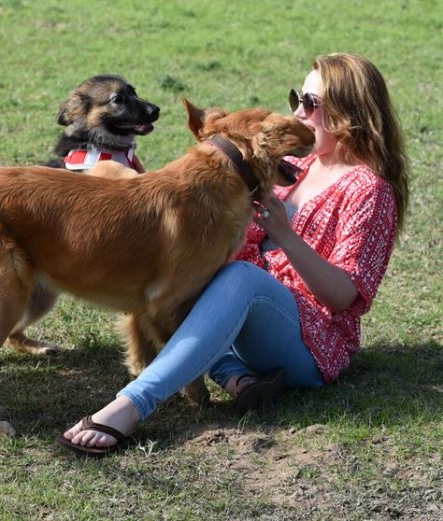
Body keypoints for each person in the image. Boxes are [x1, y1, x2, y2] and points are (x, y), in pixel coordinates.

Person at [57, 53, 410, 457]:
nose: (297, 112)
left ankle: (130, 406)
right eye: (298, 98)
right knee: (192, 272)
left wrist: (287, 237)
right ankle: (235, 377)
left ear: (350, 113)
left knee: (240, 279)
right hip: (239, 319)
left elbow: (343, 296)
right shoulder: (293, 163)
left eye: (310, 104)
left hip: (311, 344)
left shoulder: (369, 190)